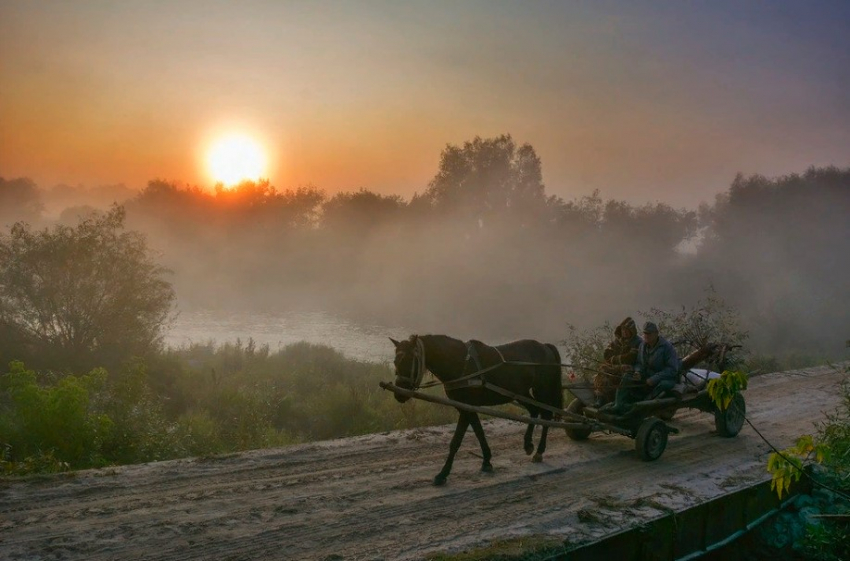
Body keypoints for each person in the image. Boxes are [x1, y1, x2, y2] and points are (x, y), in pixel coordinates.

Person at [608, 321, 680, 414]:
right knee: (627, 376)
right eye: (645, 333)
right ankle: (618, 404)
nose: (646, 335)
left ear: (656, 334)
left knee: (664, 385)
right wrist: (638, 372)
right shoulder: (643, 345)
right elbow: (639, 363)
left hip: (664, 378)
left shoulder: (667, 347)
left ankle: (644, 403)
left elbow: (672, 369)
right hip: (647, 376)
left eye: (649, 333)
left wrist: (654, 379)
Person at [593, 317, 641, 407]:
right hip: (616, 368)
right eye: (623, 329)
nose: (624, 332)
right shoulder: (617, 341)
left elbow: (630, 358)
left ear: (632, 331)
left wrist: (614, 359)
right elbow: (606, 355)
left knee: (623, 375)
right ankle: (600, 399)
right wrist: (616, 362)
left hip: (631, 369)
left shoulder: (637, 342)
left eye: (627, 330)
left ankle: (618, 402)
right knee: (603, 371)